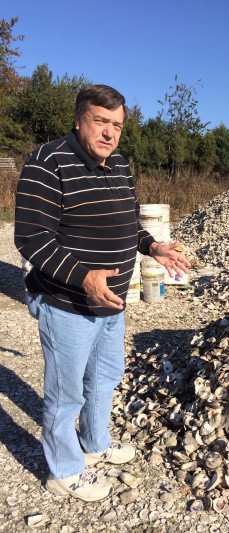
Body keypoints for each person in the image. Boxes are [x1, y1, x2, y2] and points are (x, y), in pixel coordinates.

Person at [14, 84, 190, 502]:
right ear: (79, 120)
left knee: (106, 377)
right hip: (68, 302)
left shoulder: (120, 165)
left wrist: (153, 246)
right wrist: (83, 277)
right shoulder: (47, 161)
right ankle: (64, 469)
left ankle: (94, 444)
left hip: (111, 302)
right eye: (101, 121)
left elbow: (129, 221)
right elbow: (31, 238)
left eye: (118, 125)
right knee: (66, 391)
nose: (110, 133)